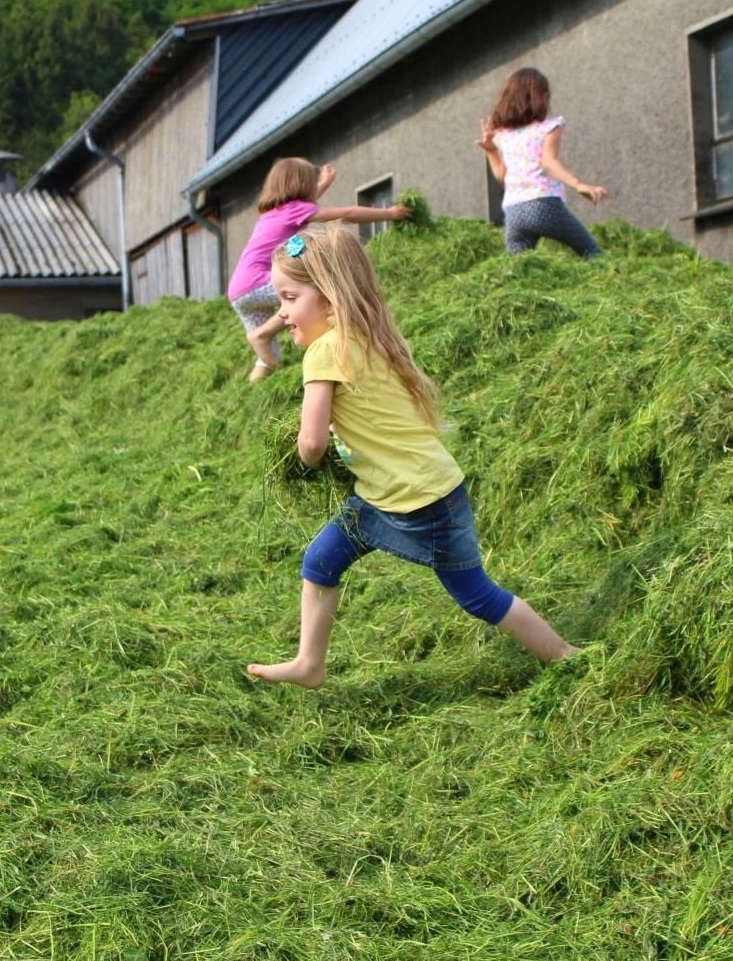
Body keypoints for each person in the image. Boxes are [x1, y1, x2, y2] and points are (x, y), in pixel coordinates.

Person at [247, 224, 579, 689]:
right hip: (392, 493)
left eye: (289, 297)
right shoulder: (366, 336)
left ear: (328, 297)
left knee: (476, 595)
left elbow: (312, 443)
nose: (282, 313)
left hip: (418, 501)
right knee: (320, 560)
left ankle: (565, 655)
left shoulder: (324, 352)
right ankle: (309, 663)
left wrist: (307, 461)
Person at [227, 157, 411, 381]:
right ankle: (263, 333)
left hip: (239, 290)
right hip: (260, 281)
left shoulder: (273, 212)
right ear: (303, 185)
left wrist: (324, 183)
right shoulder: (296, 210)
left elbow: (308, 205)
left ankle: (252, 389)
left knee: (268, 359)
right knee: (312, 289)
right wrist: (389, 214)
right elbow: (348, 215)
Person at [476, 66, 609, 257]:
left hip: (514, 211)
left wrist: (491, 151)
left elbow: (501, 177)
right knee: (591, 251)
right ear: (542, 97)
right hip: (543, 206)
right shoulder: (548, 127)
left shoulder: (504, 136)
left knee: (517, 267)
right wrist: (578, 184)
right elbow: (548, 162)